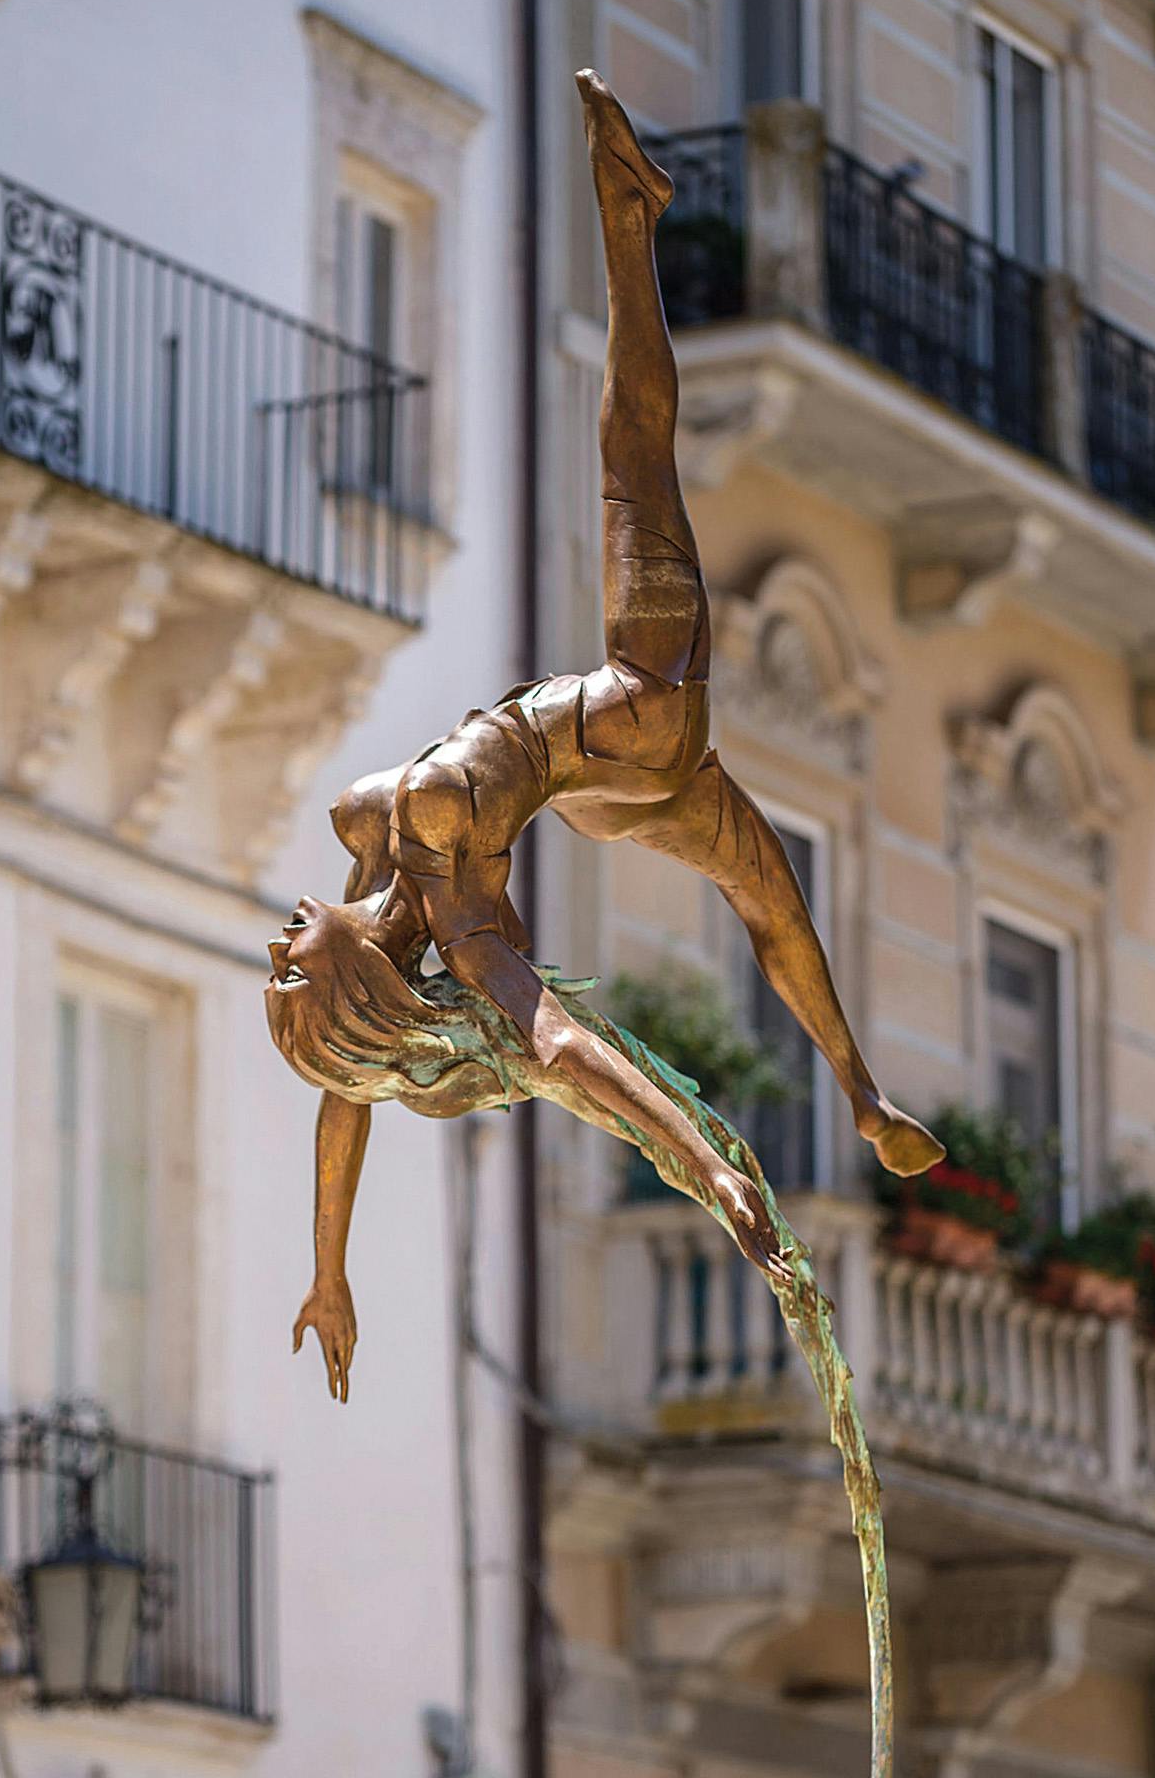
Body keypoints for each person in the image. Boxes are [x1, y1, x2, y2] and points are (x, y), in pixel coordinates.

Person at [268, 70, 943, 1401]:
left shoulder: (376, 864)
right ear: (354, 973)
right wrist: (714, 1178)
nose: (281, 940)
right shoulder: (445, 884)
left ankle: (864, 1096)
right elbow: (571, 1051)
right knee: (637, 444)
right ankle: (629, 216)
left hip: (597, 786)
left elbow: (348, 1095)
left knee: (772, 901)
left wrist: (330, 1271)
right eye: (293, 967)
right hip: (636, 723)